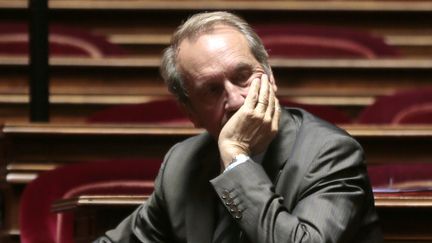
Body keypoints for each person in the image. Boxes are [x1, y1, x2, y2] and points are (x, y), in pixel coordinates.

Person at [95, 11, 382, 243]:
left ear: (269, 76)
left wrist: (235, 158)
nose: (235, 99)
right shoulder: (181, 164)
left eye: (243, 76)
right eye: (211, 90)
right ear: (190, 112)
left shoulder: (330, 153)